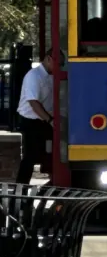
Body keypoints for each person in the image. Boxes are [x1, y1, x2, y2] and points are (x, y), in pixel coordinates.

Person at [16, 50, 64, 184]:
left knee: (52, 154)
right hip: (31, 121)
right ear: (49, 59)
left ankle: (52, 183)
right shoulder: (33, 76)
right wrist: (50, 120)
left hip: (44, 120)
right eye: (59, 63)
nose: (60, 67)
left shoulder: (51, 76)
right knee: (30, 158)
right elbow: (33, 103)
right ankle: (20, 191)